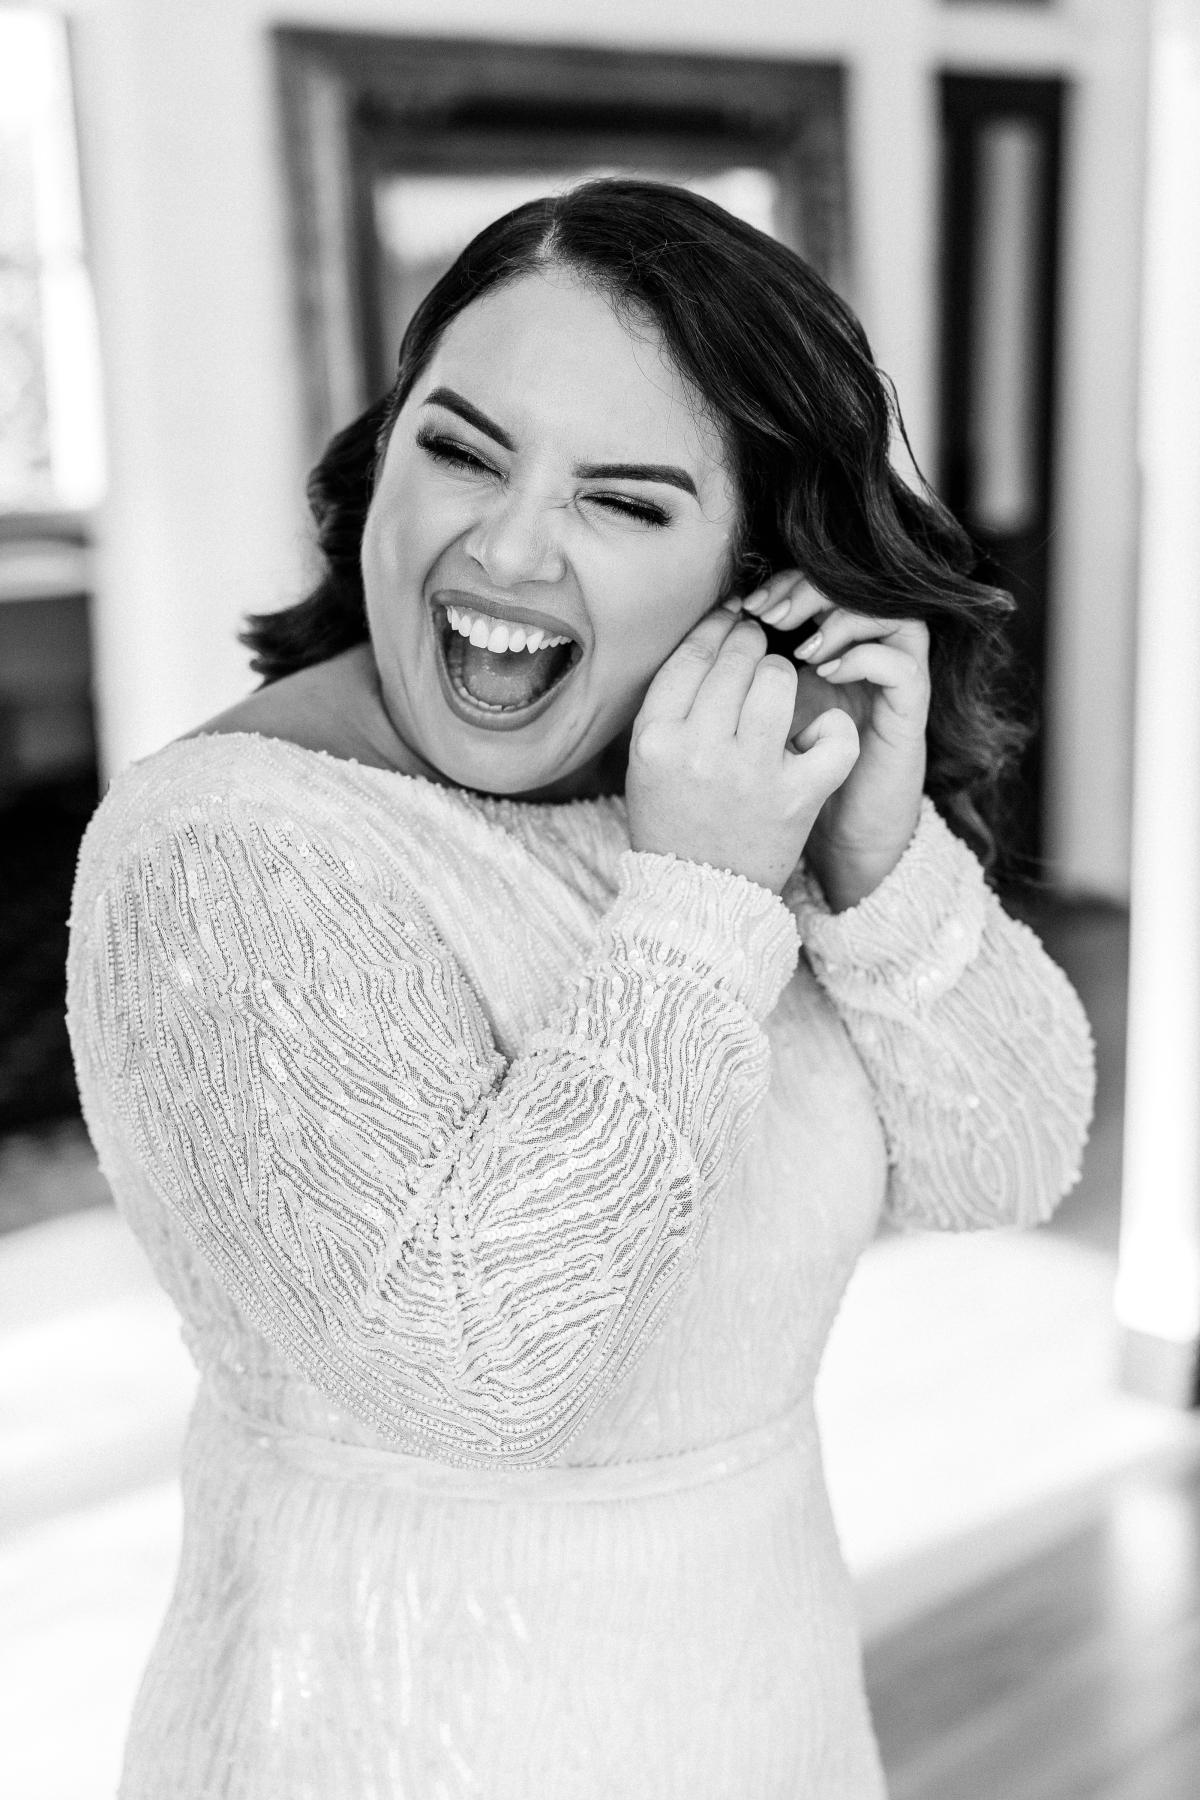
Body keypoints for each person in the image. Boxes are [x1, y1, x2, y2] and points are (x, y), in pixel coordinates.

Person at [67, 179, 1095, 1798]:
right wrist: (698, 900)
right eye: (462, 449)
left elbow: (1012, 1159)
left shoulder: (723, 788)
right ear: (384, 450)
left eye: (623, 500)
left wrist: (872, 851)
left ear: (752, 570)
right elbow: (481, 1371)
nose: (509, 542)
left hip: (761, 1713)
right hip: (384, 1740)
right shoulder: (222, 854)